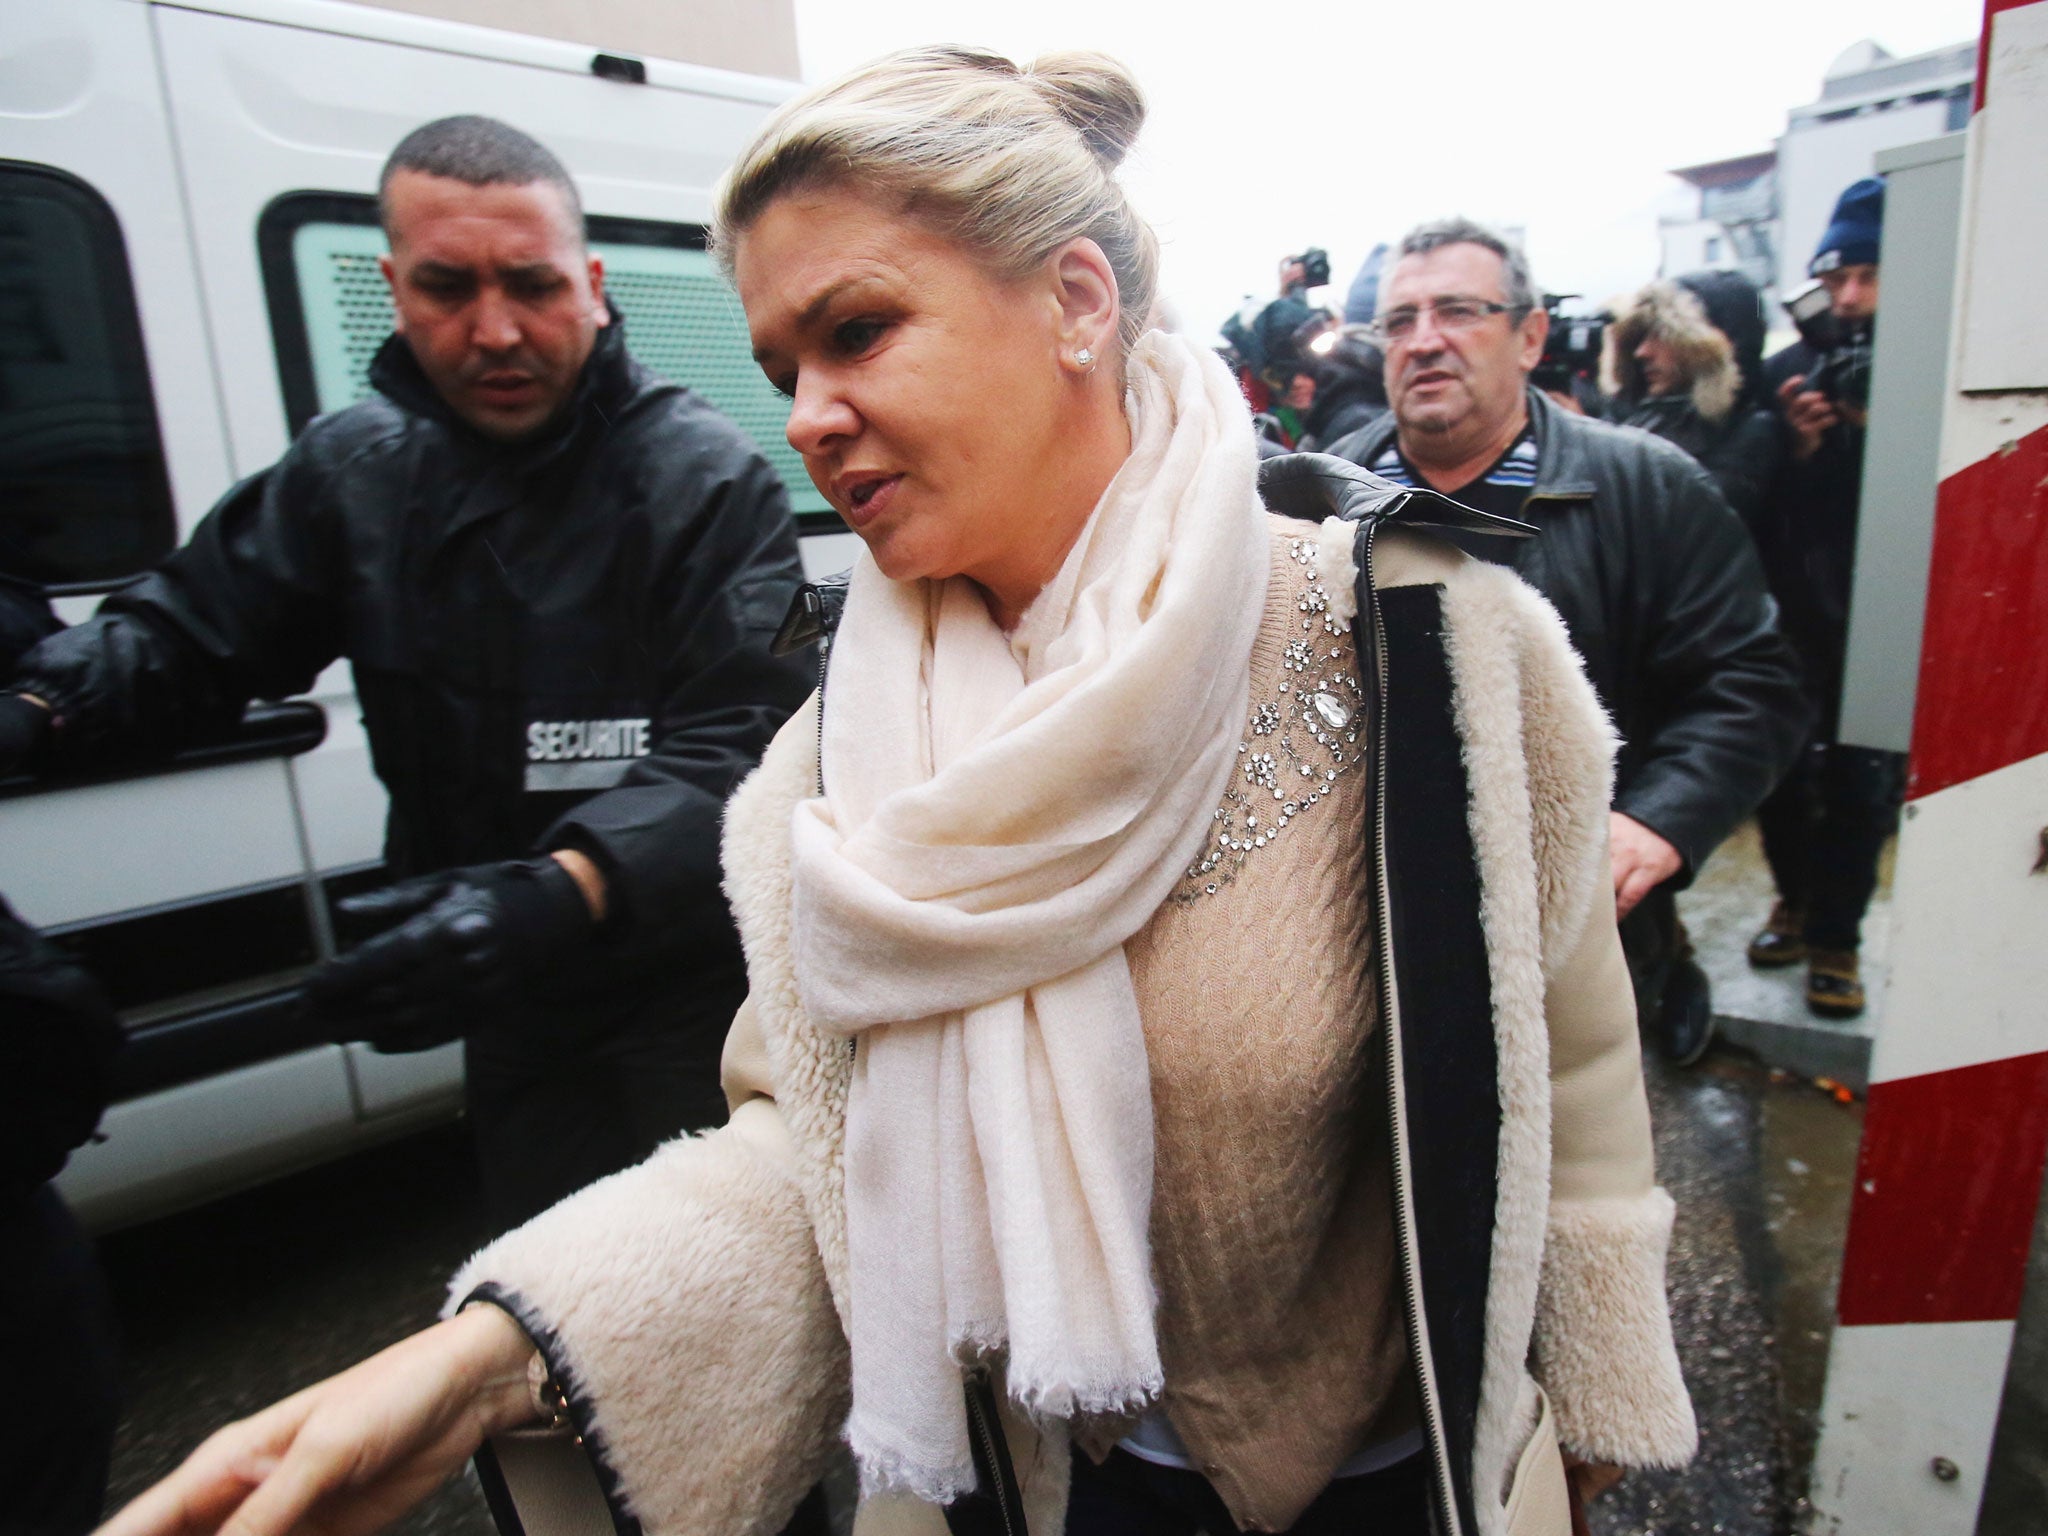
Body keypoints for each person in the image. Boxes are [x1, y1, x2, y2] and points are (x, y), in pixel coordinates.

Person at [103, 48, 1695, 1536]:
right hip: (1049, 1494)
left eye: (856, 333)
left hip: (1398, 1481)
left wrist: (1594, 1403)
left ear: (1075, 300)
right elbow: (815, 1169)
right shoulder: (828, 759)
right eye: (782, 365)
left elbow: (1566, 1068)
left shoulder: (1429, 647)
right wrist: (479, 1363)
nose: (804, 418)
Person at [0, 116, 813, 1227]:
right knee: (548, 1286)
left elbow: (748, 742)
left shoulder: (705, 478)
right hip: (515, 994)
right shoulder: (354, 472)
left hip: (683, 985)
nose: (493, 330)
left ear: (589, 281)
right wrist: (45, 705)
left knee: (717, 1271)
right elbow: (191, 630)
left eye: (530, 285)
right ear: (392, 284)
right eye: (447, 287)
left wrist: (558, 890)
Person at [1326, 219, 1807, 1066]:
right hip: (1377, 938)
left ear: (1531, 335)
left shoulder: (1649, 488)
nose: (1425, 342)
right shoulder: (1319, 497)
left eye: (1459, 311)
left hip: (1585, 938)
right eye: (1399, 322)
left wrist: (1656, 824)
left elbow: (1752, 683)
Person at [1748, 177, 1902, 1017]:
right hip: (1792, 612)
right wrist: (1798, 449)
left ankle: (1837, 938)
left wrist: (1886, 434)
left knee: (1866, 778)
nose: (1847, 297)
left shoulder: (1930, 370)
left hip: (1884, 617)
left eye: (1867, 276)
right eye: (1834, 277)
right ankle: (1795, 901)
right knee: (1774, 771)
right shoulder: (1786, 371)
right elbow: (1747, 506)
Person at [1597, 271, 1779, 525]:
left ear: (1708, 347)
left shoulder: (1751, 431)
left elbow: (1683, 523)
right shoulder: (1640, 413)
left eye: (1662, 334)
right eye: (1641, 336)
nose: (1642, 352)